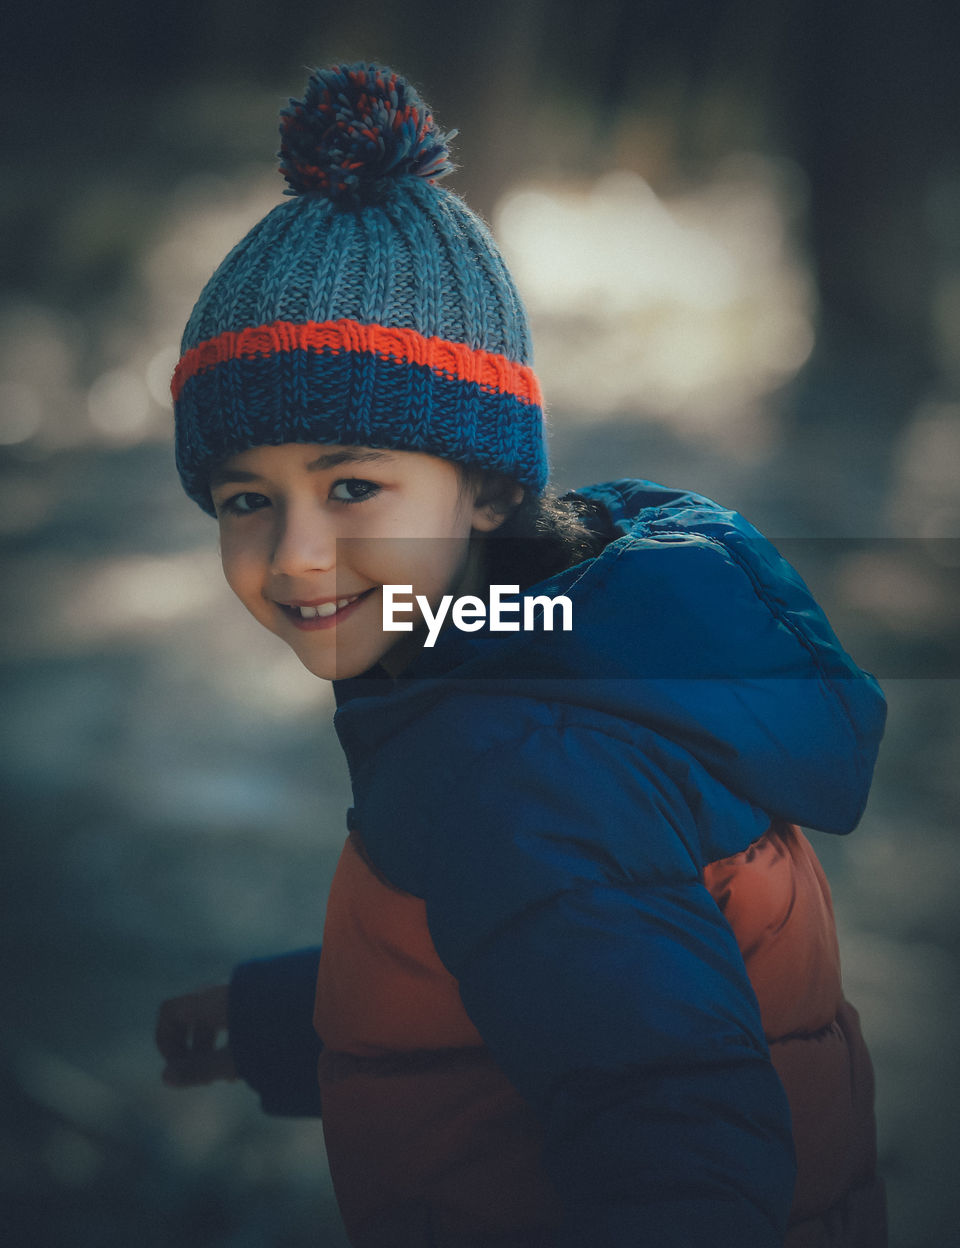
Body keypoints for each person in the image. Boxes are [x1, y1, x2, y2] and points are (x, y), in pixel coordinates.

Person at [155, 61, 888, 1248]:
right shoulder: (538, 655)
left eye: (352, 485)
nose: (294, 554)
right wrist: (297, 1015)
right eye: (245, 497)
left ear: (489, 489)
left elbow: (677, 1144)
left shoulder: (514, 760)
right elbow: (556, 952)